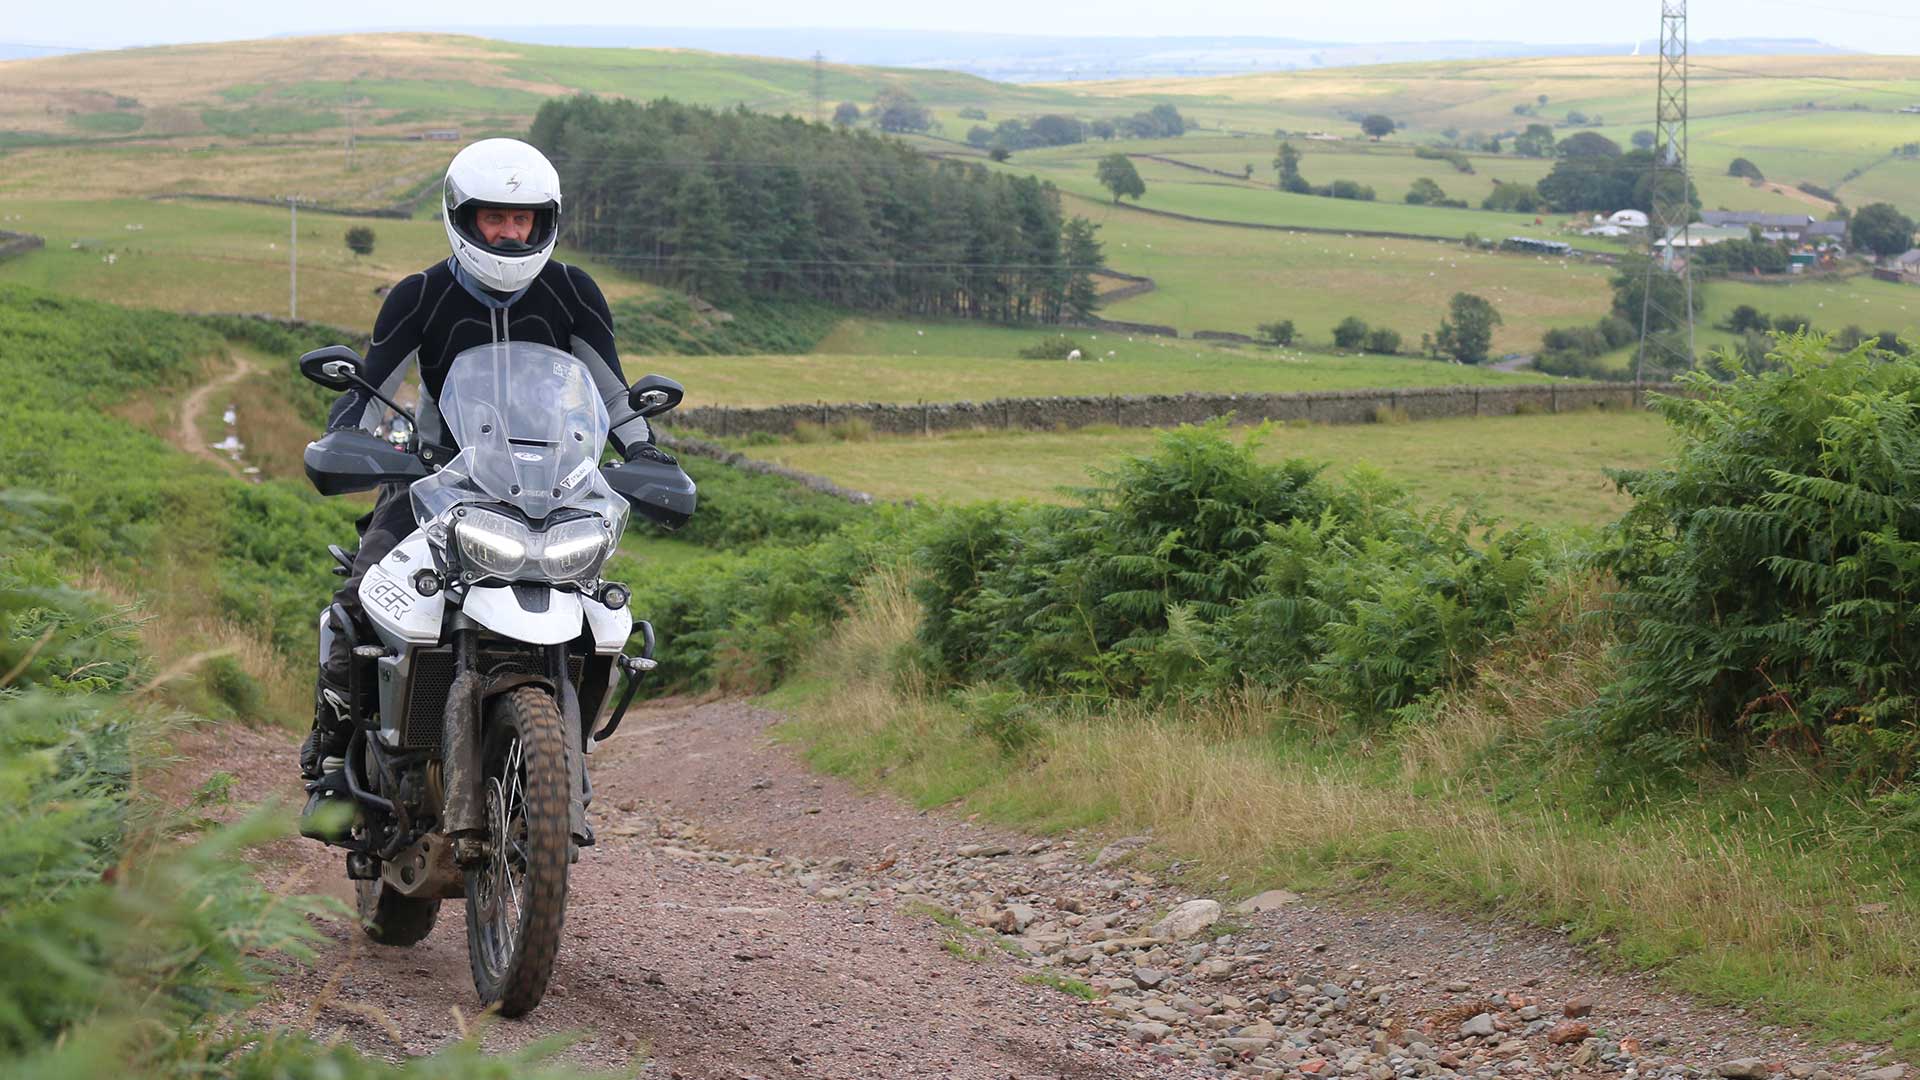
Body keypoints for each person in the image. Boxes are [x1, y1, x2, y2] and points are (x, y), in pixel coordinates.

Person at [299, 137, 654, 780]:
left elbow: (612, 391)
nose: (511, 233)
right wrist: (349, 440)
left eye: (524, 220)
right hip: (438, 478)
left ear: (545, 222)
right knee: (362, 597)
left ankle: (557, 752)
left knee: (604, 609)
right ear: (463, 216)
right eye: (496, 217)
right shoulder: (420, 295)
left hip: (555, 488)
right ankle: (332, 751)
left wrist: (648, 452)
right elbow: (369, 392)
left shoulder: (574, 292)